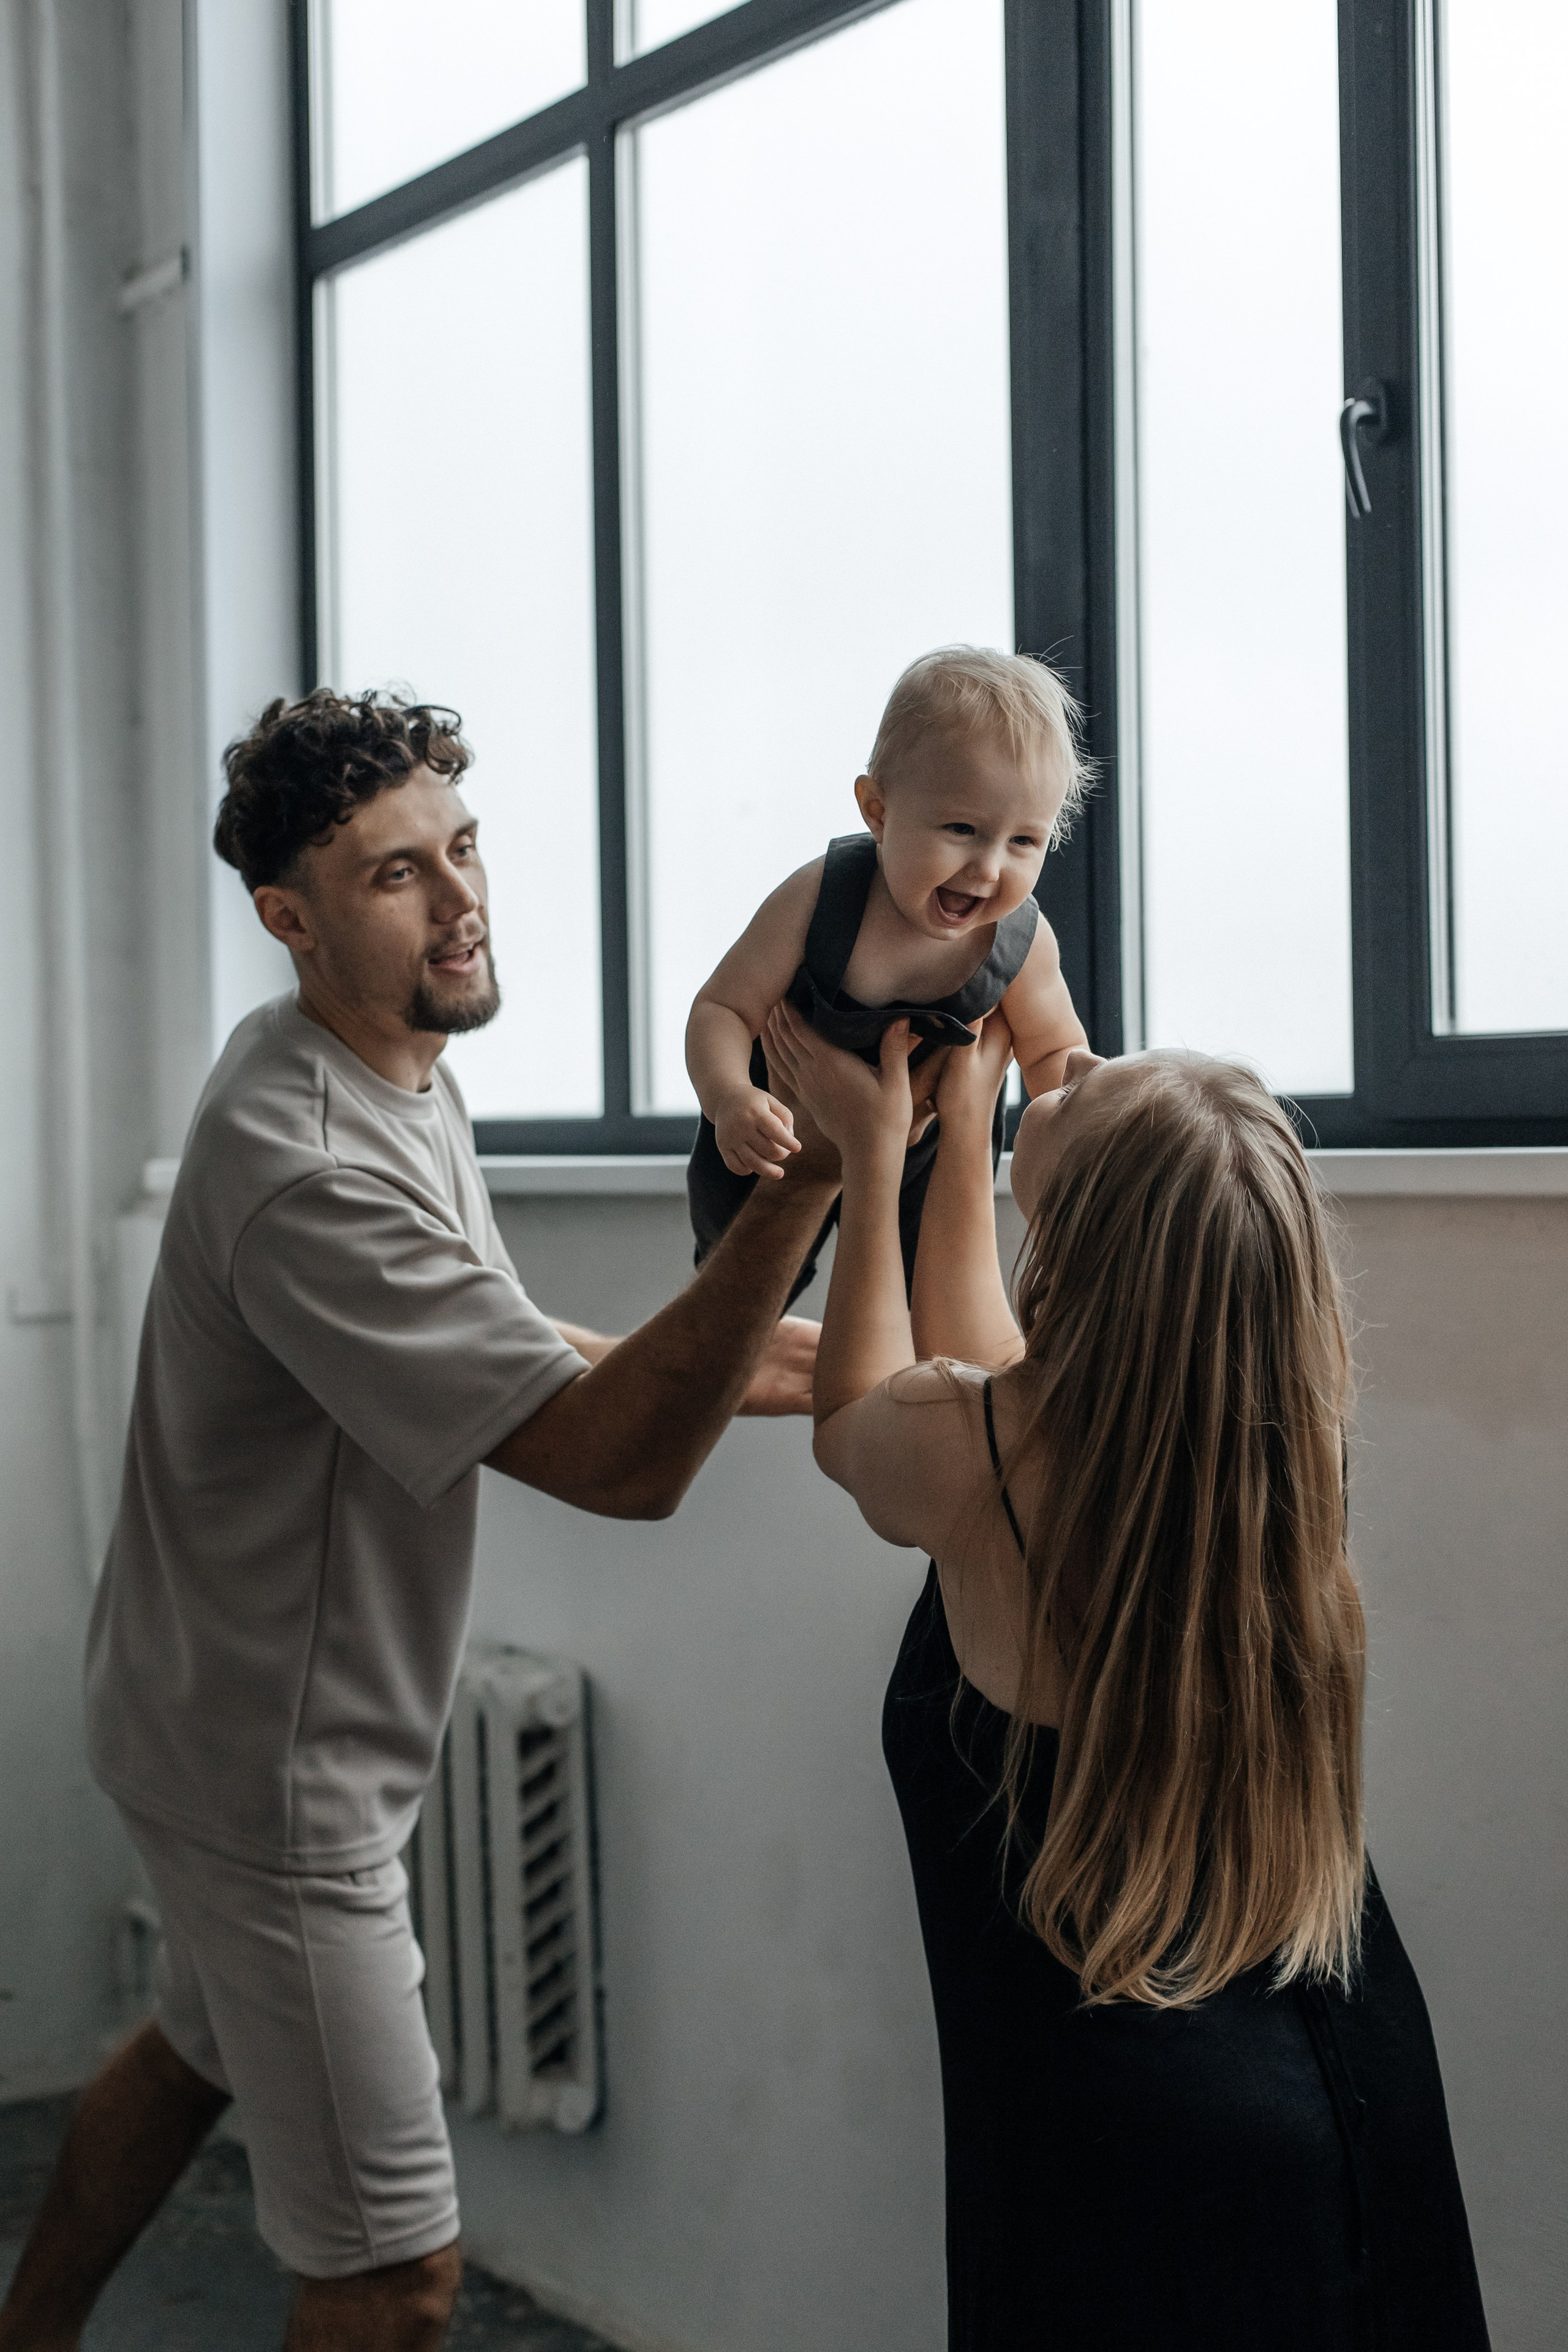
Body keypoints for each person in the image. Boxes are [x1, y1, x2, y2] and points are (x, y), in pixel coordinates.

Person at [0, 690, 836, 2352]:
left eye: (462, 848)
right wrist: (804, 1187)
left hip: (194, 1710)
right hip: (275, 1780)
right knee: (395, 2278)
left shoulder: (358, 1058)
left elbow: (525, 1347)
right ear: (290, 918)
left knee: (196, 2048)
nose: (461, 902)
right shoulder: (314, 1167)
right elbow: (617, 1462)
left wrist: (830, 1367)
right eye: (398, 876)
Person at [763, 999, 1491, 2351]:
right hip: (1338, 2067)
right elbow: (985, 1370)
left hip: (1139, 2129)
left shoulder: (971, 1455)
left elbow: (859, 1414)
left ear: (1089, 1242)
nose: (1081, 1055)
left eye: (1102, 1084)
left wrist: (874, 1160)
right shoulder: (1253, 1463)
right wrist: (974, 1127)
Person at [685, 646, 1088, 1306]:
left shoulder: (1021, 940)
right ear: (876, 810)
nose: (988, 869)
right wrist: (729, 1097)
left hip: (923, 1151)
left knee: (920, 1296)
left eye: (1023, 842)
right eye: (962, 829)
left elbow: (1053, 1053)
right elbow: (722, 1010)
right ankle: (747, 1319)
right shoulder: (821, 897)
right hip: (784, 1122)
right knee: (741, 1274)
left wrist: (1085, 1121)